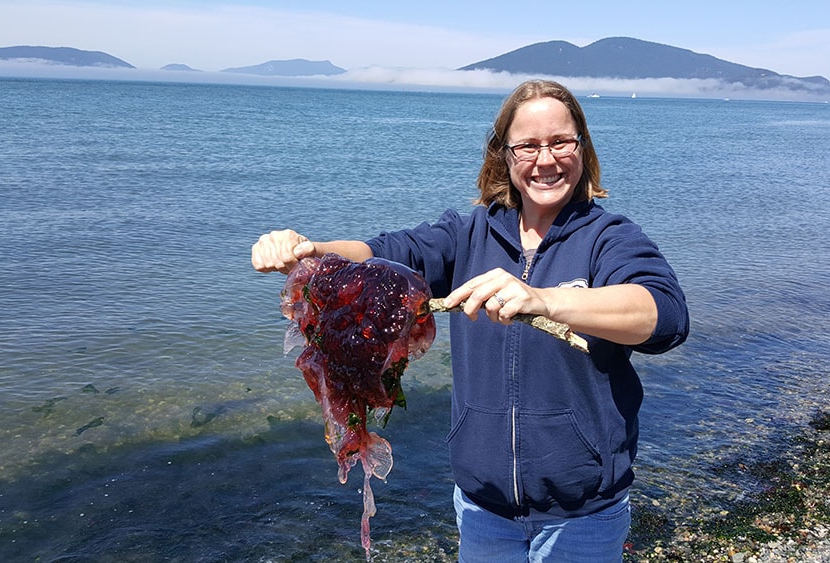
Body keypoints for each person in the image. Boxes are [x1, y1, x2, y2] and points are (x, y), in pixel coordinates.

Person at [251, 79, 689, 562]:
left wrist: (544, 300)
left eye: (561, 141)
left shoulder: (610, 238)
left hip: (583, 513)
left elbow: (663, 314)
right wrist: (311, 252)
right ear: (505, 155)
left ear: (582, 147)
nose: (546, 160)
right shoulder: (466, 235)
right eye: (528, 146)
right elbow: (382, 254)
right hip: (483, 509)